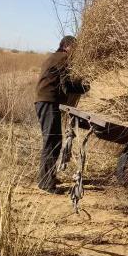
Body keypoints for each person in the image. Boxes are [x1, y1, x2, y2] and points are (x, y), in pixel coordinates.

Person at [34, 35, 89, 193]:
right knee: (52, 141)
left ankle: (48, 176)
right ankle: (46, 183)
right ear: (68, 47)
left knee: (54, 140)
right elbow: (66, 86)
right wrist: (83, 88)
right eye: (75, 49)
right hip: (48, 102)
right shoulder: (63, 59)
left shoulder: (54, 57)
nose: (76, 52)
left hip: (45, 101)